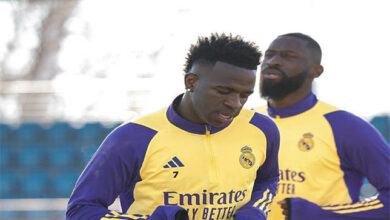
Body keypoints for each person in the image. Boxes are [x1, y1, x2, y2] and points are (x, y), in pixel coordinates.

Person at [66, 33, 280, 220]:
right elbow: (81, 210)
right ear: (191, 82)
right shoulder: (133, 137)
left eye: (244, 95)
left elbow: (268, 179)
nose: (235, 104)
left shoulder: (262, 129)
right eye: (223, 91)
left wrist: (255, 211)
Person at [254, 32, 390, 220]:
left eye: (288, 56)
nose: (274, 61)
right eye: (269, 54)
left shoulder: (345, 126)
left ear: (316, 71)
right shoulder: (248, 120)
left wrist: (323, 215)